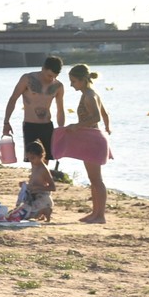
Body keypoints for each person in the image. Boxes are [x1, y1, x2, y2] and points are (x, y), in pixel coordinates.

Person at [57, 64, 112, 223]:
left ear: (82, 80)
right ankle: (95, 213)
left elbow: (96, 117)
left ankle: (100, 215)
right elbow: (105, 114)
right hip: (92, 139)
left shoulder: (89, 95)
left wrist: (76, 126)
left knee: (96, 180)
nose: (71, 85)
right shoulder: (90, 93)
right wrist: (107, 129)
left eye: (73, 81)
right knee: (93, 179)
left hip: (93, 140)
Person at [3, 55, 67, 164]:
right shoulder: (27, 79)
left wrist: (61, 129)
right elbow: (13, 99)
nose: (50, 78)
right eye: (49, 75)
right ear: (43, 68)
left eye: (54, 76)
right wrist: (6, 122)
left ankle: (42, 180)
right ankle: (35, 179)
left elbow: (60, 110)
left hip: (47, 126)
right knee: (32, 158)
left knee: (46, 159)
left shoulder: (58, 86)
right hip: (30, 124)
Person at [11, 139, 55, 221]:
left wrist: (38, 188)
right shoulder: (34, 165)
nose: (31, 160)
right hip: (32, 197)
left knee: (25, 215)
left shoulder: (43, 169)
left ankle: (46, 210)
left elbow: (53, 187)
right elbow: (34, 181)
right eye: (29, 158)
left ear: (40, 156)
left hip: (42, 198)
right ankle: (40, 211)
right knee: (17, 213)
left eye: (33, 158)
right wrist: (25, 185)